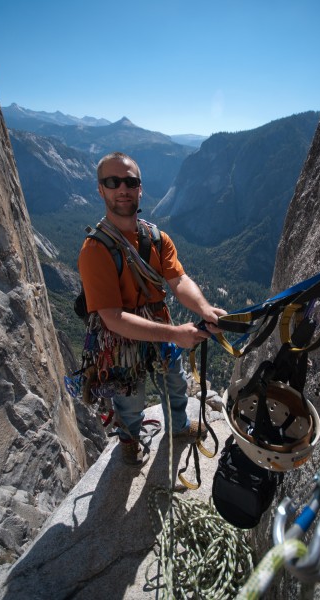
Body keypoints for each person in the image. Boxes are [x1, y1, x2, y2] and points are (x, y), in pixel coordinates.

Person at [78, 151, 226, 467]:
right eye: (113, 182)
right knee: (129, 399)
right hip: (121, 339)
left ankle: (179, 426)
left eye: (130, 181)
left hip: (158, 326)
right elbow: (113, 318)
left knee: (176, 381)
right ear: (100, 189)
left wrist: (205, 308)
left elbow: (179, 279)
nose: (122, 189)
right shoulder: (95, 250)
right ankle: (130, 440)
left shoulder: (157, 239)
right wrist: (176, 333)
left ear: (140, 188)